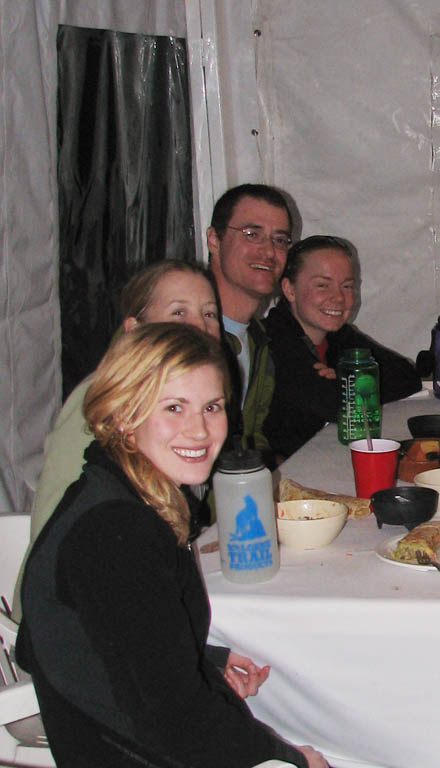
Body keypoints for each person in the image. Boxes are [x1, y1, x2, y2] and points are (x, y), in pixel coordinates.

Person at [17, 323, 328, 768]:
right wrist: (286, 757)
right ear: (125, 414)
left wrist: (198, 656)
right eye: (174, 407)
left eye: (212, 407)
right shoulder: (115, 532)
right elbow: (178, 724)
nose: (199, 430)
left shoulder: (113, 491)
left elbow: (95, 637)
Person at [30, 259, 220, 543]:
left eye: (209, 314)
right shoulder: (101, 398)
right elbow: (57, 520)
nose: (198, 326)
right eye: (179, 312)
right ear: (134, 328)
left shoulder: (198, 392)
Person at [264, 235, 421, 459]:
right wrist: (354, 384)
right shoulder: (273, 339)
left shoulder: (339, 335)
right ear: (289, 290)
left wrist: (347, 382)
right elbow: (332, 404)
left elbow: (407, 377)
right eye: (322, 285)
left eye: (347, 286)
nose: (338, 297)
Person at [207, 183, 293, 456]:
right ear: (214, 240)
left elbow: (250, 439)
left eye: (279, 240)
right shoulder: (186, 330)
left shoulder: (257, 338)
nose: (268, 252)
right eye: (252, 234)